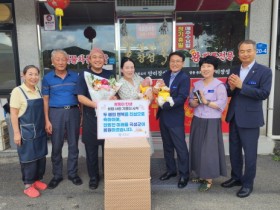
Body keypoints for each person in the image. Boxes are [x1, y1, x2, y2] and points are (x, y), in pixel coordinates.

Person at [221, 40, 272, 198]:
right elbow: (227, 92)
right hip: (234, 116)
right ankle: (236, 177)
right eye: (242, 51)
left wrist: (243, 86)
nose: (245, 54)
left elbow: (264, 93)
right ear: (238, 53)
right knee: (234, 151)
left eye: (248, 51)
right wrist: (229, 88)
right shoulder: (234, 69)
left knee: (250, 154)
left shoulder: (264, 71)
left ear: (255, 52)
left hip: (250, 119)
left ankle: (248, 184)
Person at [42, 49, 82, 189]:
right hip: (55, 114)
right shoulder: (47, 78)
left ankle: (72, 173)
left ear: (67, 61)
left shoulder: (75, 76)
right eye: (57, 59)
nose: (60, 62)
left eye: (63, 59)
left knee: (73, 145)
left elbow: (80, 97)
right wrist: (47, 120)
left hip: (73, 112)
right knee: (56, 145)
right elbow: (45, 100)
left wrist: (81, 114)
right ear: (52, 62)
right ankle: (57, 175)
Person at [77, 48, 116, 190]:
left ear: (104, 60)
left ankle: (109, 174)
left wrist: (112, 98)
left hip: (107, 118)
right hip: (91, 117)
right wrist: (96, 104)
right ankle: (93, 177)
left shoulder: (109, 74)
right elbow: (80, 96)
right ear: (89, 60)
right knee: (91, 150)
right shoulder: (84, 75)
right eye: (94, 57)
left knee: (109, 150)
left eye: (100, 57)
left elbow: (113, 93)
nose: (98, 59)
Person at [188, 56, 227, 192]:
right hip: (198, 119)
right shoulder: (197, 84)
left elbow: (221, 105)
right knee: (197, 147)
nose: (205, 69)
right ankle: (201, 174)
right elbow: (190, 103)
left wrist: (206, 101)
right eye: (203, 66)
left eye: (209, 66)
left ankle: (208, 179)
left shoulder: (219, 85)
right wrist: (194, 102)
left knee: (208, 150)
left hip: (211, 121)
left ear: (214, 68)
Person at [10, 65, 48, 198]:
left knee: (40, 157)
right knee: (28, 159)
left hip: (39, 129)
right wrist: (16, 133)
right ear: (23, 75)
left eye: (36, 74)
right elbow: (13, 114)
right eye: (30, 74)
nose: (34, 77)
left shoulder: (37, 90)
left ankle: (37, 180)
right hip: (26, 131)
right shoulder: (18, 91)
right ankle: (28, 185)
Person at [154, 51, 190, 188]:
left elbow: (182, 97)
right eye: (172, 61)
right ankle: (171, 170)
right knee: (167, 146)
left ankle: (184, 175)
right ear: (169, 62)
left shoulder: (184, 78)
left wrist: (166, 104)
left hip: (174, 117)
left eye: (178, 61)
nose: (174, 64)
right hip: (163, 116)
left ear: (182, 63)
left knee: (180, 147)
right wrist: (157, 93)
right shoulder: (165, 75)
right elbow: (161, 92)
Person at [117, 57, 154, 155]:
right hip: (130, 119)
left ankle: (144, 169)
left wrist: (149, 95)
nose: (130, 70)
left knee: (144, 147)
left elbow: (148, 91)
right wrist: (142, 93)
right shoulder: (120, 83)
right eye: (127, 68)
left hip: (142, 117)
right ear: (121, 69)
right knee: (132, 149)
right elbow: (129, 100)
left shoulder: (138, 77)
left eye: (132, 67)